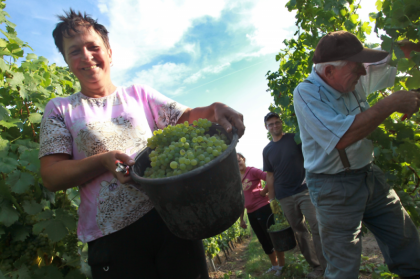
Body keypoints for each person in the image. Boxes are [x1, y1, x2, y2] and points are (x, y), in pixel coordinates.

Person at [38, 10, 245, 279]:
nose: (87, 56)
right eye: (75, 51)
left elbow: (185, 119)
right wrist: (102, 161)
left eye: (93, 47)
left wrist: (214, 108)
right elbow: (51, 175)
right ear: (67, 61)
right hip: (112, 236)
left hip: (172, 217)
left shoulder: (138, 94)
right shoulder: (59, 109)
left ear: (109, 52)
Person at [293, 30, 420, 278]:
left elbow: (392, 57)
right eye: (357, 67)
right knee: (344, 268)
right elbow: (342, 138)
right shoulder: (306, 93)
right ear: (329, 71)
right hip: (333, 189)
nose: (364, 72)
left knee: (407, 244)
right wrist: (392, 103)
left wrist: (410, 49)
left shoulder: (350, 75)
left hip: (369, 175)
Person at [262, 112, 326, 278]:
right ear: (266, 128)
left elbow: (309, 158)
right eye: (271, 124)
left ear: (281, 123)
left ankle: (328, 265)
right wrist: (272, 198)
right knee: (299, 231)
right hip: (284, 196)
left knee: (316, 226)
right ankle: (317, 267)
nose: (275, 126)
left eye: (277, 122)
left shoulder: (294, 139)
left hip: (304, 190)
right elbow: (270, 175)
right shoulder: (267, 150)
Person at [237, 153, 285, 276]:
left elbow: (269, 178)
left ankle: (282, 265)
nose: (238, 164)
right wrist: (242, 219)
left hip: (263, 208)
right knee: (263, 240)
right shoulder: (236, 179)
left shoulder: (252, 171)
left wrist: (263, 192)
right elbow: (241, 200)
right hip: (251, 213)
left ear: (244, 159)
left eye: (239, 160)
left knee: (272, 238)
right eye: (235, 162)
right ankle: (274, 265)